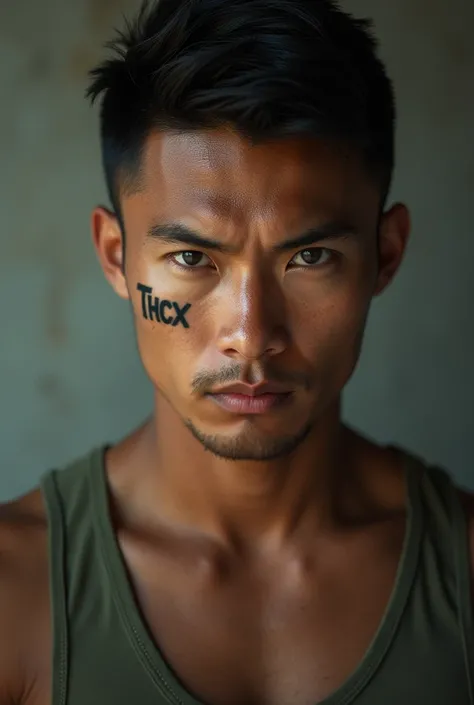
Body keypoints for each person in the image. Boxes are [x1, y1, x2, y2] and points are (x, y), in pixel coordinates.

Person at [1, 0, 473, 703]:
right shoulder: (15, 590)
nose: (251, 334)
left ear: (385, 253)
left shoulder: (462, 573)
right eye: (193, 256)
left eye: (309, 256)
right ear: (116, 256)